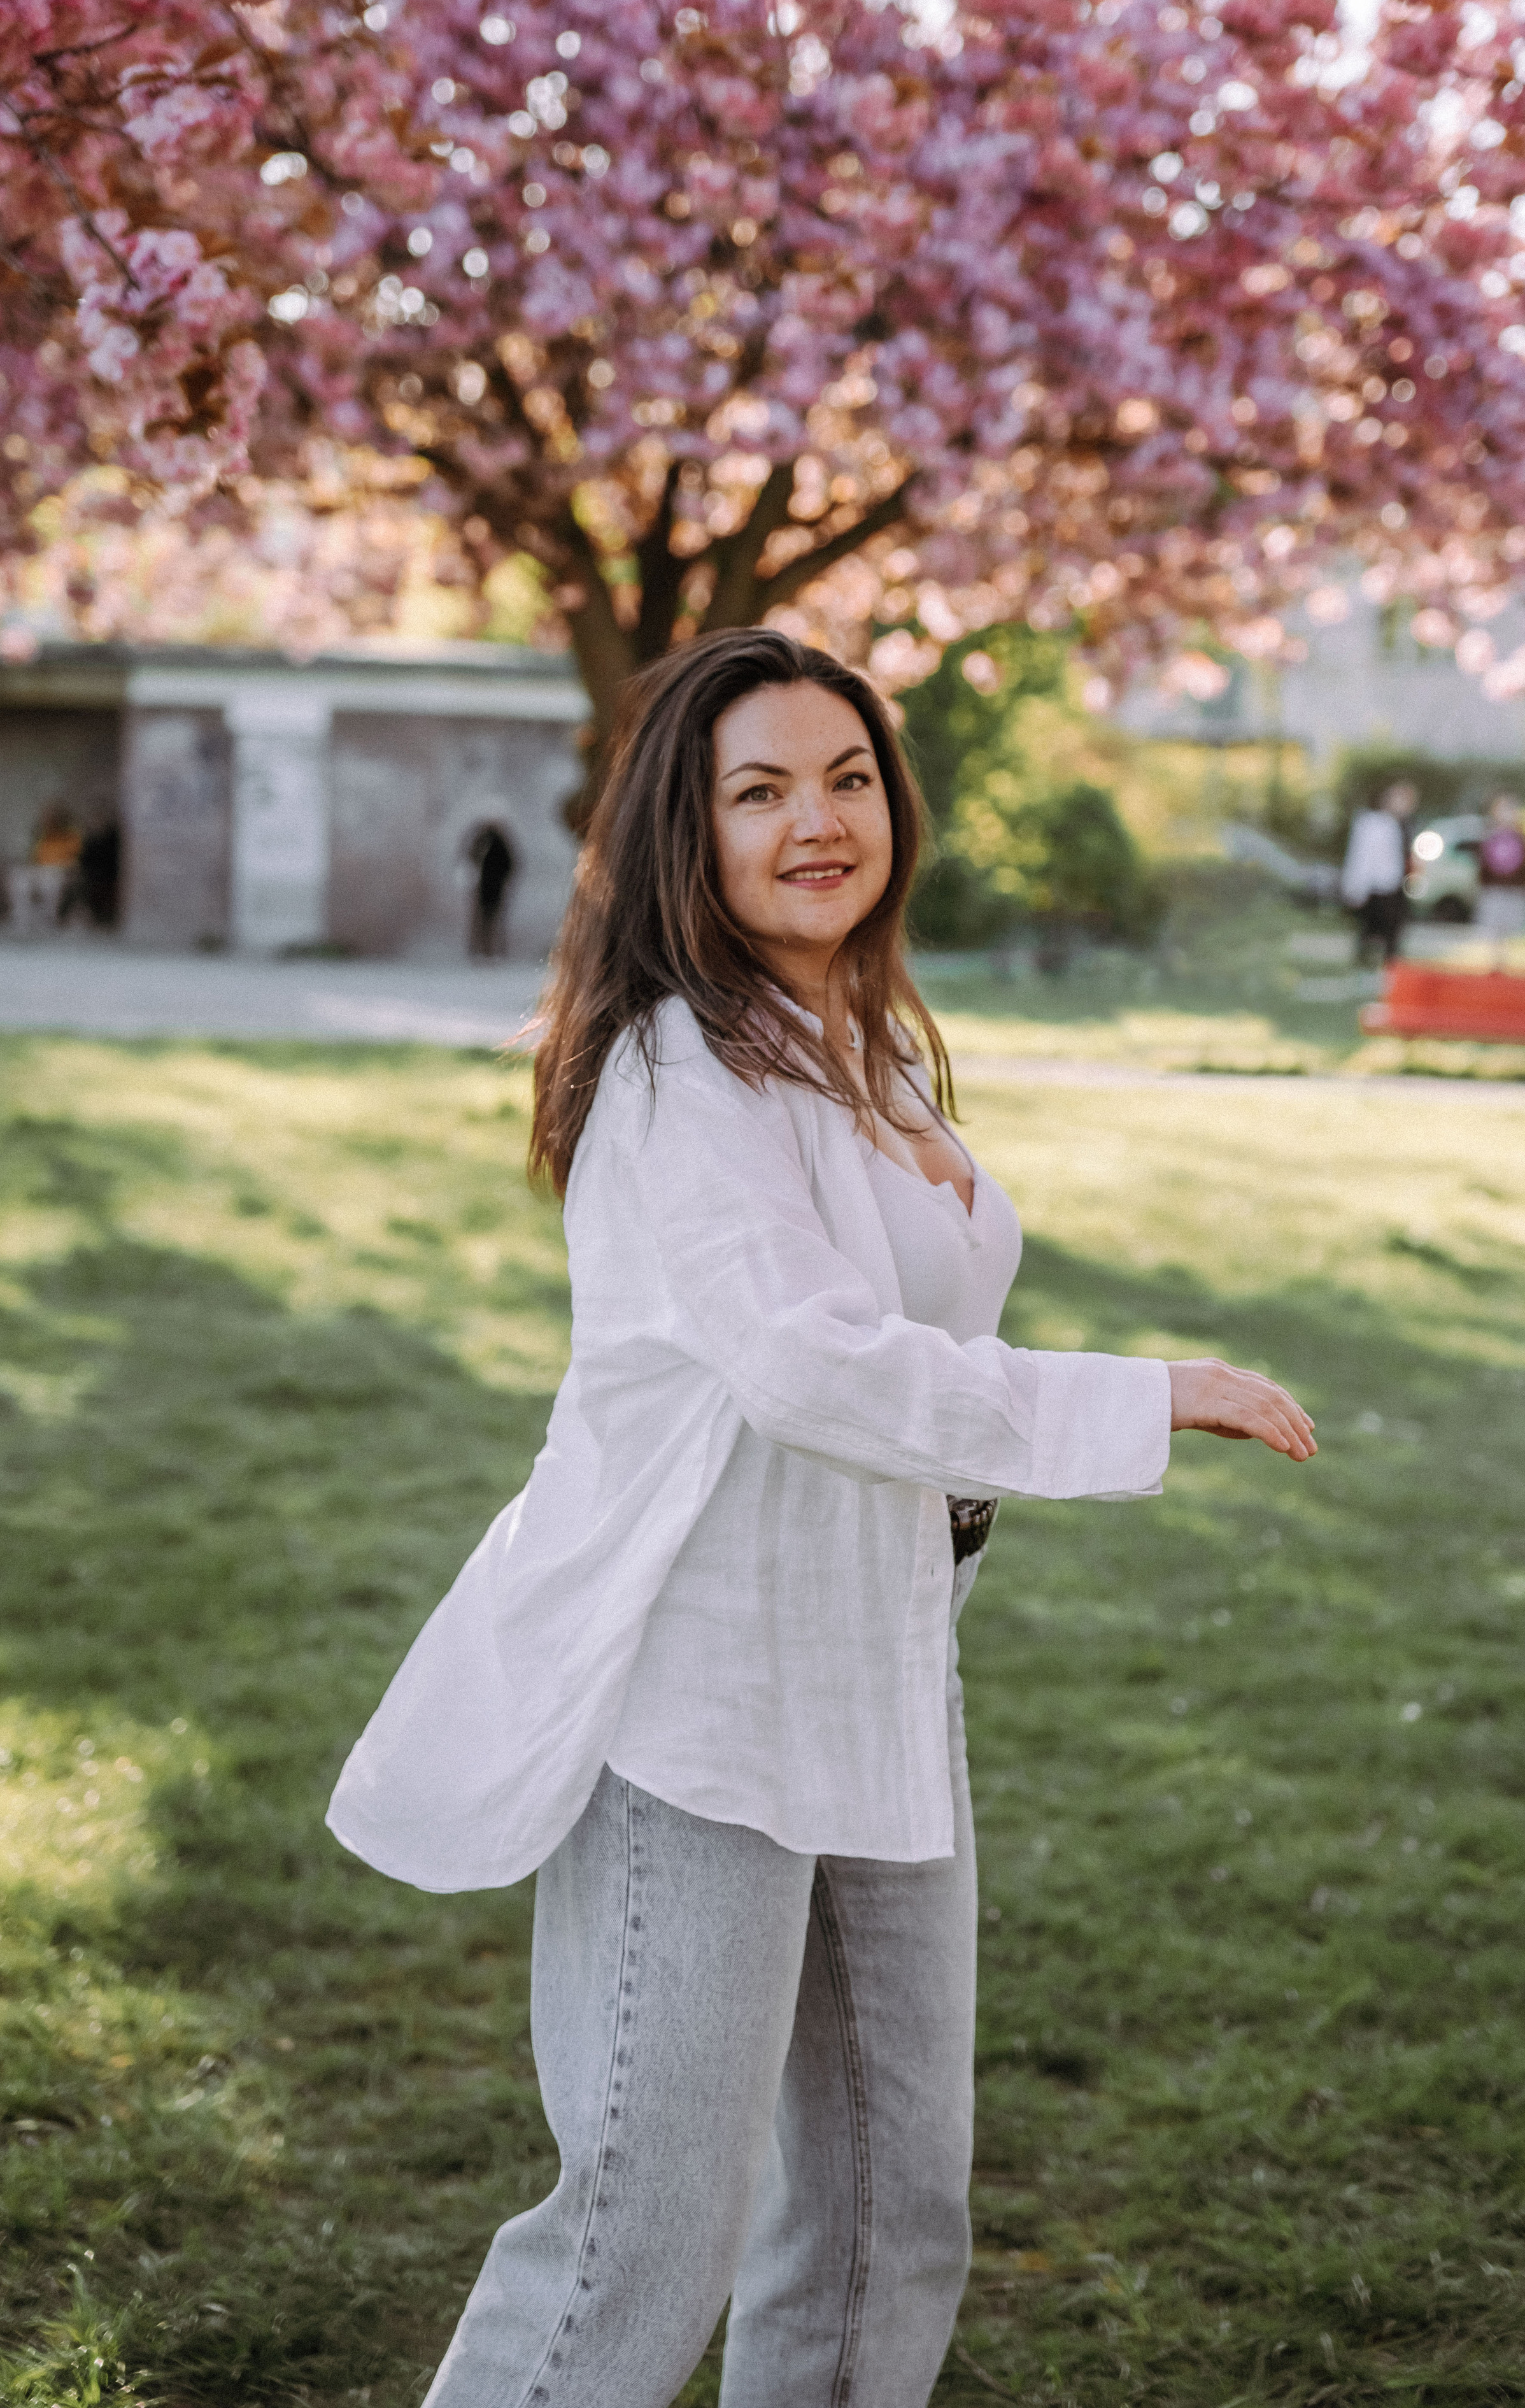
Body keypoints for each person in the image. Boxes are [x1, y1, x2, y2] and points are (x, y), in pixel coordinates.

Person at [327, 630, 1317, 2408]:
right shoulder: (672, 1076)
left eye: (848, 777)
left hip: (876, 1674)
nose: (818, 820)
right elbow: (811, 1363)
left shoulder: (865, 1051)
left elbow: (914, 1348)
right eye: (761, 790)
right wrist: (1138, 1392)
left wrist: (964, 1506)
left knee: (886, 2211)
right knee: (647, 2236)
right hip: (696, 1701)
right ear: (681, 834)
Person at [1340, 778, 1418, 965]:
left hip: (1394, 885)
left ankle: (1389, 969)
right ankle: (1367, 967)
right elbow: (1362, 857)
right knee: (1372, 930)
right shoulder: (1374, 824)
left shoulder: (1403, 825)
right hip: (1377, 887)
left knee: (1393, 931)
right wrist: (1356, 886)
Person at [1477, 791, 1525, 965]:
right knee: (1494, 927)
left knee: (1511, 927)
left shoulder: (1523, 839)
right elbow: (1483, 865)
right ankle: (1496, 963)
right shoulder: (1489, 837)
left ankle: (1506, 964)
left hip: (1515, 890)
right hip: (1494, 890)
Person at [469, 822, 517, 958]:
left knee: (484, 919)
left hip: (487, 887)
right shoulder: (502, 846)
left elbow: (473, 856)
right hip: (495, 888)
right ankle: (490, 950)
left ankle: (483, 949)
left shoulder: (486, 844)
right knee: (493, 919)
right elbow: (511, 865)